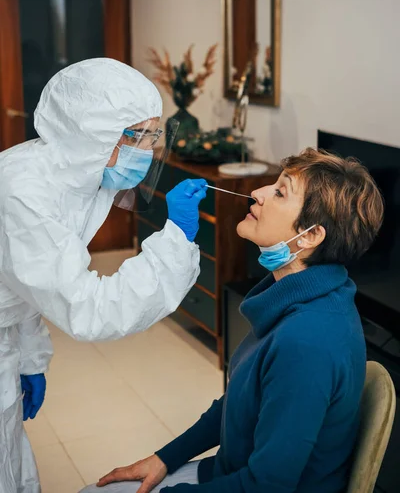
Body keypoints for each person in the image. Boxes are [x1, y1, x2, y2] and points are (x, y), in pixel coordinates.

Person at [81, 148, 384, 493]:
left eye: (280, 192)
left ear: (310, 236)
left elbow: (266, 486)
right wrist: (165, 457)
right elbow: (242, 401)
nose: (257, 193)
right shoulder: (298, 296)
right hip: (229, 472)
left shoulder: (307, 341)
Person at [0, 58, 208, 493]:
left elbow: (31, 287)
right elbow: (89, 307)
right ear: (90, 134)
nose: (149, 149)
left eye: (154, 135)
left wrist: (32, 358)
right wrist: (175, 241)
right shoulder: (26, 192)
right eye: (139, 135)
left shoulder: (76, 176)